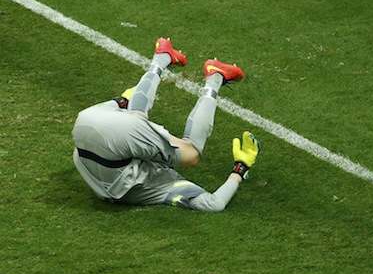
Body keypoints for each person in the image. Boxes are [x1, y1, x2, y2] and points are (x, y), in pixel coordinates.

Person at [72, 37, 261, 212]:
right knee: (141, 120)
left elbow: (213, 203)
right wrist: (120, 101)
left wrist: (240, 168)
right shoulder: (149, 185)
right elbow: (214, 205)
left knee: (183, 149)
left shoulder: (157, 189)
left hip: (109, 138)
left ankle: (215, 78)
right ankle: (163, 58)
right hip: (85, 124)